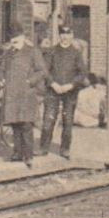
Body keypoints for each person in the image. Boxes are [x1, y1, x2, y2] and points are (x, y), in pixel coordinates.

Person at [0, 30, 47, 167]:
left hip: (26, 93)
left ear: (23, 38)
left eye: (16, 39)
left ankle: (28, 155)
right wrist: (1, 79)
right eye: (12, 39)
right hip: (12, 93)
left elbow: (42, 71)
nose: (14, 41)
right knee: (15, 123)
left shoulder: (33, 52)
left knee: (26, 124)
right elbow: (1, 70)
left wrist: (30, 81)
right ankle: (17, 152)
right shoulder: (8, 53)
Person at [39, 24, 87, 158]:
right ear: (59, 35)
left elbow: (82, 73)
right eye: (62, 34)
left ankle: (65, 149)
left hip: (70, 92)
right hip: (52, 91)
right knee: (48, 120)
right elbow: (45, 70)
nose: (65, 37)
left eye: (68, 34)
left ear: (72, 35)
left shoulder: (76, 53)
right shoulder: (52, 51)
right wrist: (52, 83)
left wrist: (71, 85)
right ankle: (43, 147)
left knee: (68, 121)